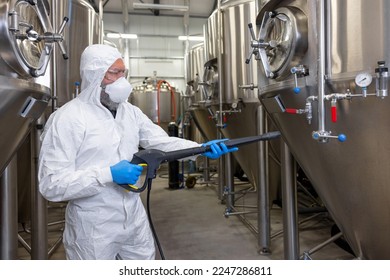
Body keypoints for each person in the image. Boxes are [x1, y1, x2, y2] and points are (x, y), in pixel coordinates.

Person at [38, 44, 238, 260]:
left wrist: (200, 149)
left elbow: (160, 142)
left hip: (133, 216)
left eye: (123, 72)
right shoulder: (68, 118)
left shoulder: (129, 112)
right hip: (93, 226)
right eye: (114, 73)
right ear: (95, 75)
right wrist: (108, 174)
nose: (122, 80)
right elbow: (52, 184)